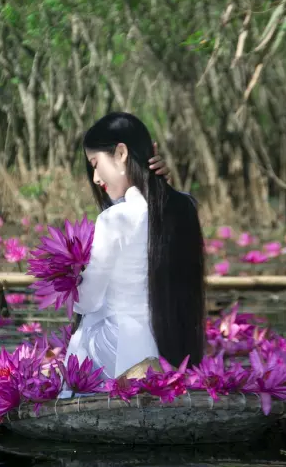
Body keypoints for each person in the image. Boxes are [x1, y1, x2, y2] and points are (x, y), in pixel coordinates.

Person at [66, 112, 205, 382]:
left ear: (121, 153)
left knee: (85, 328)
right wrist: (163, 184)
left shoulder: (114, 218)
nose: (95, 178)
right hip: (171, 346)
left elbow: (87, 300)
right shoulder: (184, 207)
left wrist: (70, 279)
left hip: (119, 351)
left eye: (96, 163)